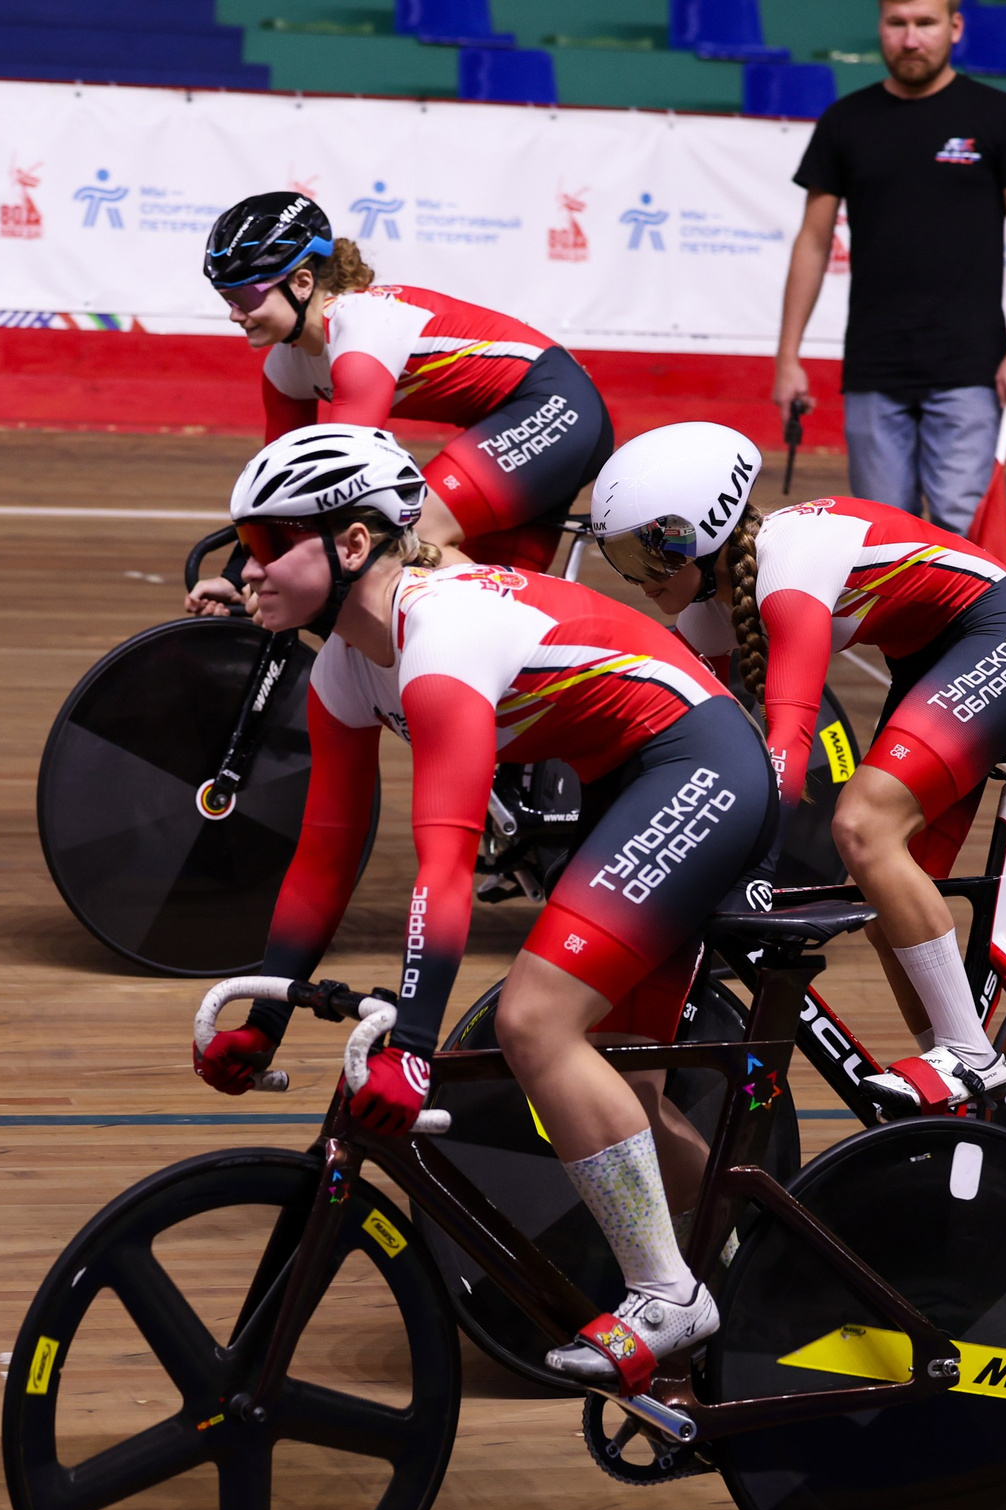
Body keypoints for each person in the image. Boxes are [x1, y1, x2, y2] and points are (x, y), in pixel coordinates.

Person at [192, 423, 778, 1393]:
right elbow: (326, 855)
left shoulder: (442, 634)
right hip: (632, 781)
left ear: (348, 545)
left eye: (264, 547)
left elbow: (444, 859)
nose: (246, 571)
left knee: (533, 1022)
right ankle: (768, 1270)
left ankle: (667, 1294)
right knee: (618, 1089)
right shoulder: (346, 665)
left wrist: (414, 1042)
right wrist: (265, 1013)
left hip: (697, 764)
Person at [588, 420, 1006, 1114]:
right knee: (885, 912)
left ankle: (969, 1055)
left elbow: (787, 745)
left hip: (1002, 639)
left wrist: (750, 871)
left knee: (864, 826)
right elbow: (697, 752)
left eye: (652, 552)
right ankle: (962, 1101)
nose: (637, 577)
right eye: (620, 557)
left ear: (708, 530)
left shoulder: (788, 575)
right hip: (935, 661)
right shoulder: (708, 612)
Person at [184, 191, 615, 612]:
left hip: (557, 407)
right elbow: (275, 487)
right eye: (228, 300)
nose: (235, 315)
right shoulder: (286, 368)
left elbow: (350, 469)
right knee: (499, 596)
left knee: (410, 537)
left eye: (245, 299)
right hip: (514, 427)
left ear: (301, 283)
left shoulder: (361, 325)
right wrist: (239, 573)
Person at [769, 0, 1006, 537]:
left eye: (926, 23)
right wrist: (788, 358)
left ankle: (969, 627)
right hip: (875, 368)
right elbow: (812, 240)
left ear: (955, 27)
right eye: (897, 23)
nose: (911, 39)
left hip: (971, 368)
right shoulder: (845, 121)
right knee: (884, 541)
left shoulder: (998, 116)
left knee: (961, 536)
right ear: (881, 27)